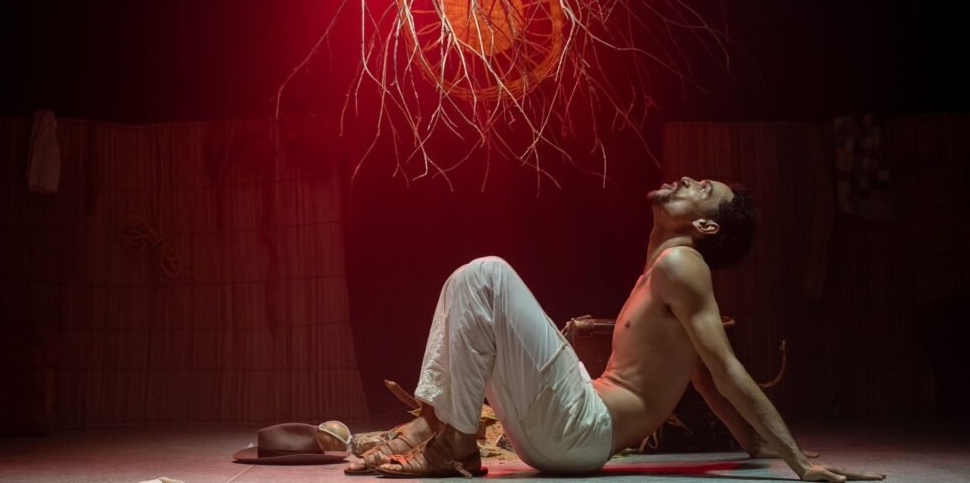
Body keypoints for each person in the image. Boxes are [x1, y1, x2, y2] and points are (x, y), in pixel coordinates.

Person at [346, 177, 885, 481]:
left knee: (486, 274)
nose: (687, 179)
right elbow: (705, 382)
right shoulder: (657, 274)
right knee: (467, 281)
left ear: (705, 225)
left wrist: (797, 462)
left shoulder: (683, 266)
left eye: (702, 188)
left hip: (580, 430)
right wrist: (756, 447)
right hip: (564, 436)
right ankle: (438, 430)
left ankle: (451, 444)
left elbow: (726, 369)